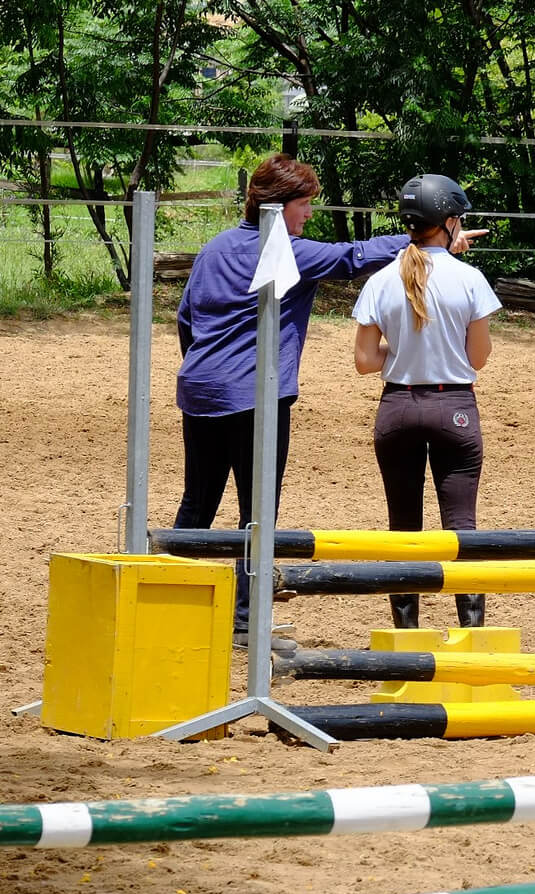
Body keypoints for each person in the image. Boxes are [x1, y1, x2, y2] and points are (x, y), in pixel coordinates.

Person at [175, 153, 415, 650]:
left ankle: (164, 599)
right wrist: (425, 238)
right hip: (255, 398)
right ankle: (243, 623)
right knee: (257, 512)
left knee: (197, 502)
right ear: (280, 205)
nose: (309, 213)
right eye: (304, 204)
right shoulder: (287, 252)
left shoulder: (213, 249)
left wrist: (211, 371)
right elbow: (355, 257)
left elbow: (186, 320)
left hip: (200, 390)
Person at [353, 174, 501, 630]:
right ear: (451, 223)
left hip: (397, 408)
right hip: (453, 407)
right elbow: (478, 356)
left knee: (403, 529)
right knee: (461, 527)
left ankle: (407, 639)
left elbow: (363, 361)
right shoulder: (470, 279)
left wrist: (400, 349)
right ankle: (471, 633)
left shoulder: (380, 280)